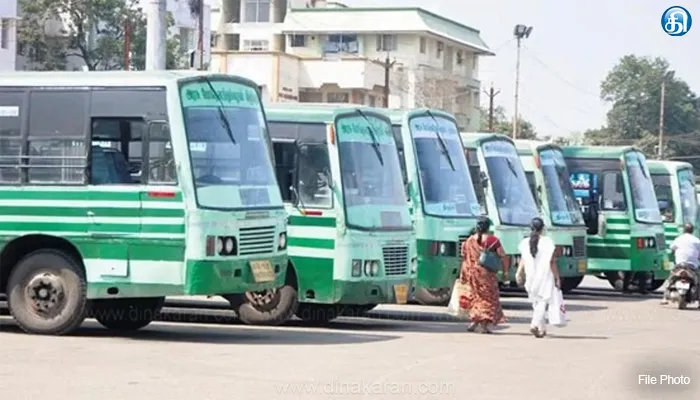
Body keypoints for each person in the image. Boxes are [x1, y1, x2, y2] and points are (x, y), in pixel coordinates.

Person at [460, 216, 509, 334]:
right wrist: (505, 272)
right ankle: (484, 325)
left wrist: (463, 274)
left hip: (471, 274)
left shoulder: (469, 241)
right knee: (489, 299)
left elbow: (464, 257)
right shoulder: (492, 240)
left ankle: (474, 322)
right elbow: (503, 256)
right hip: (486, 275)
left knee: (475, 297)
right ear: (488, 227)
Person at [516, 217, 561, 338]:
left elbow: (523, 259)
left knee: (536, 302)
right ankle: (534, 325)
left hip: (530, 275)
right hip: (545, 275)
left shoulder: (525, 242)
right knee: (542, 301)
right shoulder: (547, 242)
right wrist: (557, 277)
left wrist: (518, 272)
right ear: (543, 228)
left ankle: (542, 328)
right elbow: (552, 262)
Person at [661, 223, 700, 304]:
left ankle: (664, 298)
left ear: (683, 230)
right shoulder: (696, 240)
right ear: (692, 230)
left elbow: (671, 248)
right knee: (698, 282)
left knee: (670, 279)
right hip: (692, 266)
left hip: (679, 265)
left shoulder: (678, 239)